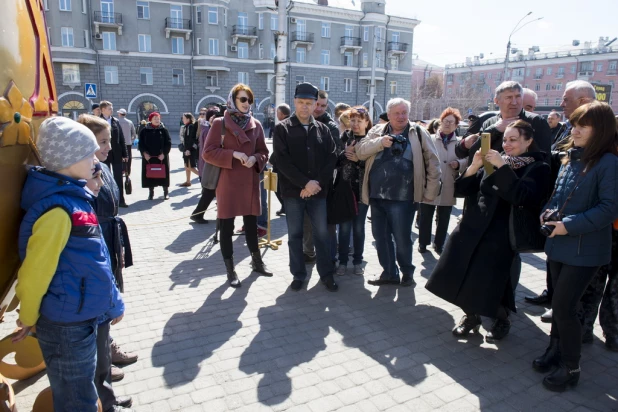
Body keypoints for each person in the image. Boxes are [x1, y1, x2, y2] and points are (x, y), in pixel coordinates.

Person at [13, 117, 125, 412]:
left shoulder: (75, 201)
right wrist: (27, 315)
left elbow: (96, 259)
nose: (95, 160)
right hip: (66, 327)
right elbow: (36, 272)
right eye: (88, 154)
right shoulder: (58, 211)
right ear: (68, 160)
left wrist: (113, 302)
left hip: (81, 318)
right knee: (77, 400)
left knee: (82, 390)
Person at [426, 120, 551, 342]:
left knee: (493, 282)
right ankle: (471, 316)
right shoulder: (494, 159)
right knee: (458, 272)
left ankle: (501, 318)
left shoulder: (538, 166)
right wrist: (474, 166)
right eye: (505, 139)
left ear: (528, 140)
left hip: (501, 233)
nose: (508, 144)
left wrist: (502, 167)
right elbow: (464, 190)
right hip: (472, 226)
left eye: (513, 139)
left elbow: (522, 197)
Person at [532, 102, 618, 392]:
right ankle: (554, 350)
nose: (575, 129)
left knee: (565, 308)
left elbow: (608, 209)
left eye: (584, 125)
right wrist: (547, 212)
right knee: (559, 306)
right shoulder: (572, 158)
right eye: (575, 123)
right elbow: (557, 198)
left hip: (586, 250)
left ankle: (571, 366)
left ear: (601, 131)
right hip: (559, 245)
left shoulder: (609, 163)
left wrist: (568, 225)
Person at [525, 80, 598, 321]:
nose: (561, 104)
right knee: (556, 263)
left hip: (584, 220)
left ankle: (582, 325)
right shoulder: (568, 127)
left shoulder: (602, 139)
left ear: (584, 101)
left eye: (567, 99)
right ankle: (555, 300)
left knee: (585, 287)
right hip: (559, 207)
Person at [356, 97, 441, 287]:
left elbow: (433, 163)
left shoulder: (418, 132)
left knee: (402, 238)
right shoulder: (377, 131)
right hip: (377, 195)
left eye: (404, 113)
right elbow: (360, 152)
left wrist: (431, 191)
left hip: (403, 198)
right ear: (389, 115)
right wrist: (380, 143)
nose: (401, 117)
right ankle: (389, 272)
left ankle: (407, 273)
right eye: (397, 113)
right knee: (381, 237)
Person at [203, 84, 272, 288]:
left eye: (249, 100)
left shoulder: (256, 124)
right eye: (243, 99)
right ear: (233, 100)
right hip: (227, 181)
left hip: (250, 181)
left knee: (251, 225)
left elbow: (263, 151)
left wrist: (255, 158)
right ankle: (230, 269)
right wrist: (233, 154)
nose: (246, 103)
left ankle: (256, 261)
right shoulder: (219, 123)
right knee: (227, 226)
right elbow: (208, 152)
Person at [273, 82, 338, 292]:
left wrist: (316, 184)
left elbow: (331, 158)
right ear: (294, 102)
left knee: (321, 234)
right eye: (301, 102)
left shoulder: (323, 130)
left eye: (309, 103)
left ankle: (326, 274)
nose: (304, 107)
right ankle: (298, 275)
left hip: (318, 193)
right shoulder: (282, 129)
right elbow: (282, 162)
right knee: (295, 235)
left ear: (315, 104)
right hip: (293, 193)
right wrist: (304, 183)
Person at [455, 81, 551, 165]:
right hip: (488, 181)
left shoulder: (536, 122)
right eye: (509, 97)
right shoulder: (489, 123)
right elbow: (474, 155)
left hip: (521, 183)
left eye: (518, 97)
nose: (514, 102)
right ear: (496, 101)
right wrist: (494, 130)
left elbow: (543, 160)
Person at [418, 108, 467, 255]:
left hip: (449, 184)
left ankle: (439, 244)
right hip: (430, 184)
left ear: (456, 125)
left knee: (444, 218)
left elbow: (469, 160)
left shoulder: (460, 143)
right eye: (445, 121)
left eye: (451, 122)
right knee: (426, 216)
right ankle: (423, 243)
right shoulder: (430, 139)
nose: (447, 124)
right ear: (440, 122)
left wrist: (459, 164)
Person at [335, 106, 372, 276]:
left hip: (362, 191)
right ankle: (342, 262)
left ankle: (358, 261)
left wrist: (359, 160)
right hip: (344, 190)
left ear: (366, 122)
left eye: (359, 120)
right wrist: (344, 154)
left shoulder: (371, 139)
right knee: (343, 228)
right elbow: (334, 160)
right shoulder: (344, 137)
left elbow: (375, 166)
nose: (355, 124)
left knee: (358, 228)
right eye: (353, 120)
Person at [191, 106, 221, 224]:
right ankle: (198, 214)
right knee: (209, 192)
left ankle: (198, 214)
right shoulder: (209, 130)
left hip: (207, 166)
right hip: (211, 166)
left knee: (209, 192)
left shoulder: (205, 129)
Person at [99, 101, 128, 208]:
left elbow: (122, 138)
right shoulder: (98, 121)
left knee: (118, 178)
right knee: (105, 177)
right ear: (103, 110)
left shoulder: (115, 121)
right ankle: (107, 202)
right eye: (109, 108)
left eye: (111, 108)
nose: (111, 110)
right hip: (103, 153)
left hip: (116, 153)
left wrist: (125, 154)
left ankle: (121, 200)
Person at [139, 112, 172, 200]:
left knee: (163, 174)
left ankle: (165, 192)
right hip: (149, 157)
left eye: (158, 118)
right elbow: (141, 144)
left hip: (161, 157)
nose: (157, 120)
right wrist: (144, 153)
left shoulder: (163, 130)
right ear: (150, 120)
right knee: (150, 174)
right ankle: (151, 193)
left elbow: (168, 143)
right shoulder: (144, 130)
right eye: (155, 119)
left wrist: (164, 153)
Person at [273, 103, 291, 217]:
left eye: (277, 113)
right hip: (287, 163)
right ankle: (284, 206)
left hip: (280, 164)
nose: (276, 115)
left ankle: (285, 206)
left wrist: (270, 160)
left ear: (282, 114)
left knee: (277, 187)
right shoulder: (292, 124)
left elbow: (279, 148)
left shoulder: (281, 126)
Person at [179, 113, 200, 187]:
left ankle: (203, 178)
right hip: (187, 148)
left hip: (190, 149)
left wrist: (188, 149)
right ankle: (188, 181)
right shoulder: (187, 126)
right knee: (186, 165)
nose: (183, 119)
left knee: (190, 167)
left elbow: (190, 139)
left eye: (184, 118)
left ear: (188, 119)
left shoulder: (190, 126)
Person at [116, 108, 136, 176]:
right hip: (128, 143)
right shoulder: (130, 122)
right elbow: (134, 133)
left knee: (119, 157)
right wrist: (131, 139)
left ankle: (121, 170)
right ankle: (128, 170)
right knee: (128, 157)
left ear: (119, 114)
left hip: (118, 143)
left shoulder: (116, 122)